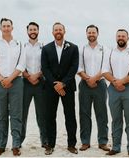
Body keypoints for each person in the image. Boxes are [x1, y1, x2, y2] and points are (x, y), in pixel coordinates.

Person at [41, 22, 79, 155]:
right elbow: (44, 68)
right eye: (56, 29)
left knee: (70, 116)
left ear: (64, 31)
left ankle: (71, 144)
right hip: (51, 88)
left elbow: (74, 67)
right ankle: (50, 145)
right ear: (52, 32)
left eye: (60, 29)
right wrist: (55, 84)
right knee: (50, 117)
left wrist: (62, 84)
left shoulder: (73, 48)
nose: (58, 31)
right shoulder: (46, 48)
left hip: (67, 87)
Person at [0, 18, 25, 157]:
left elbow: (21, 65)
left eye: (8, 26)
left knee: (16, 115)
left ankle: (16, 145)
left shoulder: (20, 44)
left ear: (12, 27)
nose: (6, 28)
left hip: (16, 82)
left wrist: (10, 78)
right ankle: (1, 145)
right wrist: (2, 79)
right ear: (0, 28)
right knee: (1, 115)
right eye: (3, 26)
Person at [104, 29, 129, 156]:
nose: (121, 38)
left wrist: (122, 81)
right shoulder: (109, 52)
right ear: (116, 37)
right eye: (119, 36)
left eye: (123, 36)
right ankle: (116, 147)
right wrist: (115, 82)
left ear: (128, 38)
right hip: (113, 88)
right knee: (116, 119)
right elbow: (105, 71)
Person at [78, 24, 109, 151]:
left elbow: (106, 67)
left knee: (102, 113)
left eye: (93, 32)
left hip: (100, 84)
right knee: (84, 113)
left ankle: (103, 142)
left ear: (97, 34)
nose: (91, 34)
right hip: (84, 84)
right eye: (89, 32)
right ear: (86, 34)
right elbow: (78, 67)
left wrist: (94, 79)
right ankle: (85, 141)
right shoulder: (81, 49)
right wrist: (87, 79)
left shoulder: (105, 49)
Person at [20, 22, 47, 148]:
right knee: (22, 113)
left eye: (35, 29)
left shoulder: (44, 47)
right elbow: (19, 65)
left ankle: (44, 140)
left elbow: (47, 65)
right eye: (30, 29)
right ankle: (19, 140)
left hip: (40, 83)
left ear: (38, 31)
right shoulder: (22, 46)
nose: (33, 31)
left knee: (41, 113)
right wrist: (28, 76)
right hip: (25, 83)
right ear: (27, 31)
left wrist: (38, 75)